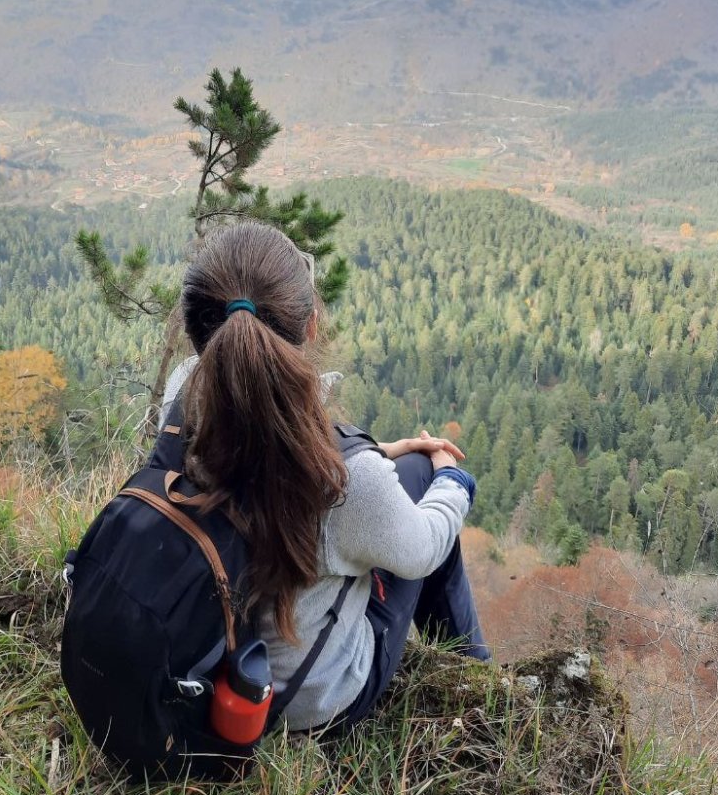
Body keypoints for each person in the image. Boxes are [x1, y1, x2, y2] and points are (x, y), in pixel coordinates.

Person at [161, 220, 490, 735]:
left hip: (213, 666)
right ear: (311, 325)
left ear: (196, 327)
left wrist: (378, 452)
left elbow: (262, 448)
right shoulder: (349, 483)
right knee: (424, 480)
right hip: (307, 703)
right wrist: (451, 480)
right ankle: (480, 680)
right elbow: (424, 549)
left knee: (403, 472)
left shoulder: (183, 401)